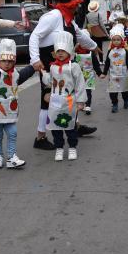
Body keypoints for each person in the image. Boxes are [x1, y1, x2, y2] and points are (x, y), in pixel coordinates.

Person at [29, 0, 98, 150]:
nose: (78, 7)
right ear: (69, 4)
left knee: (68, 96)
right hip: (49, 64)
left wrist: (95, 47)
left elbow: (80, 36)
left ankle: (74, 125)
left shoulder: (68, 19)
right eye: (75, 4)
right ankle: (40, 137)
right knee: (48, 100)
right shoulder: (52, 17)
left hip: (65, 63)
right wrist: (35, 59)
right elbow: (34, 36)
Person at [0, 39, 36, 169]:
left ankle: (11, 157)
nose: (7, 64)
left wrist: (32, 68)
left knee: (12, 133)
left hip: (10, 113)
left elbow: (21, 77)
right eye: (4, 61)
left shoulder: (14, 73)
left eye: (10, 61)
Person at [41, 31, 87, 162]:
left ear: (69, 51)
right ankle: (59, 148)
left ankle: (72, 147)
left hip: (69, 101)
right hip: (55, 101)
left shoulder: (74, 67)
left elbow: (80, 84)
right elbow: (51, 81)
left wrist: (81, 101)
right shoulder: (53, 67)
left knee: (70, 125)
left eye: (63, 50)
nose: (60, 53)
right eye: (58, 50)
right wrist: (44, 74)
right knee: (56, 127)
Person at [100, 24, 128, 113]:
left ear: (122, 40)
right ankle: (114, 104)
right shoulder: (110, 51)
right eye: (114, 40)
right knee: (113, 91)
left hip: (124, 74)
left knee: (124, 90)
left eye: (118, 40)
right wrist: (104, 73)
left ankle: (126, 100)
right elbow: (107, 62)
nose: (116, 42)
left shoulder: (125, 51)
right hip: (113, 75)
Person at [74, 29, 102, 115]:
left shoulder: (91, 53)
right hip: (78, 76)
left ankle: (88, 105)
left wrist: (99, 73)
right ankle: (81, 104)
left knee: (88, 91)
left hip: (88, 75)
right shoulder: (74, 53)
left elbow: (96, 64)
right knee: (79, 91)